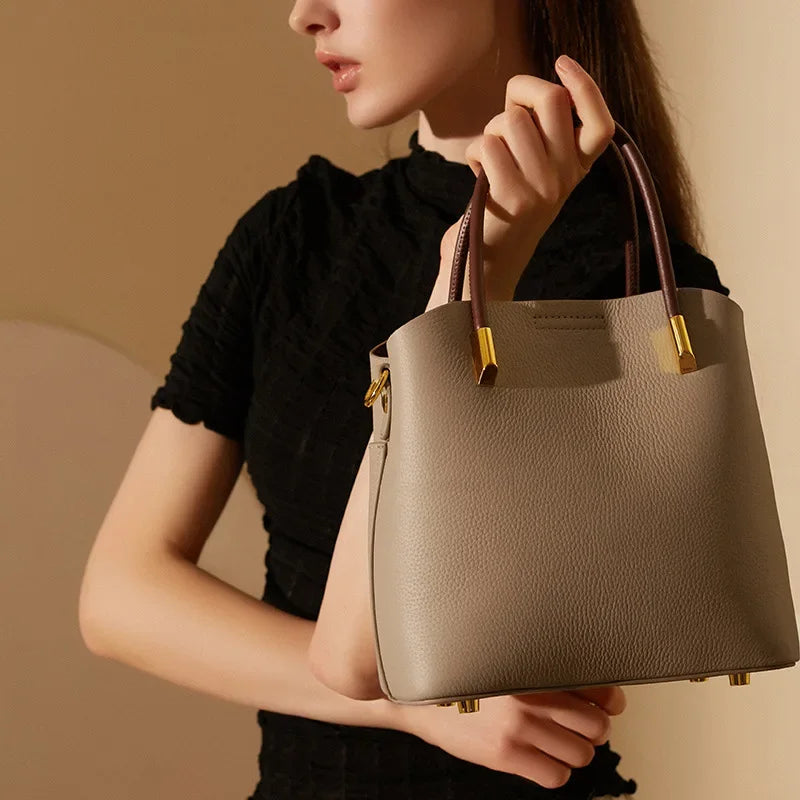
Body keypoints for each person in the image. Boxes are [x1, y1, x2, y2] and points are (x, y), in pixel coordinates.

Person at [79, 1, 731, 798]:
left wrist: (475, 275)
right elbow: (119, 595)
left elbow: (353, 652)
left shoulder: (645, 290)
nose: (305, 14)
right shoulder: (293, 238)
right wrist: (422, 709)